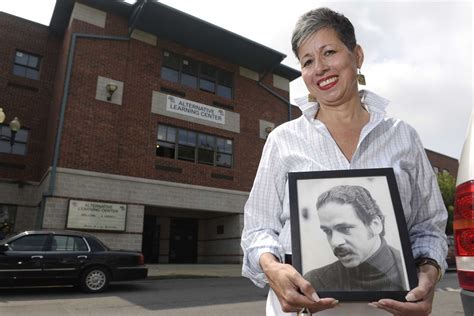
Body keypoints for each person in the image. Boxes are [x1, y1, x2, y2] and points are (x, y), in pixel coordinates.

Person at [240, 7, 447, 316]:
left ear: (357, 56)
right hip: (301, 309)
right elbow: (257, 229)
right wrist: (271, 267)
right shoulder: (283, 140)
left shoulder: (403, 136)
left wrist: (429, 271)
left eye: (329, 52)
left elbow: (428, 226)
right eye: (308, 61)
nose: (319, 68)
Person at [303, 185, 406, 291]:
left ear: (375, 225)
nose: (335, 242)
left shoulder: (411, 272)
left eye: (345, 228)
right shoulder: (314, 283)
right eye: (327, 231)